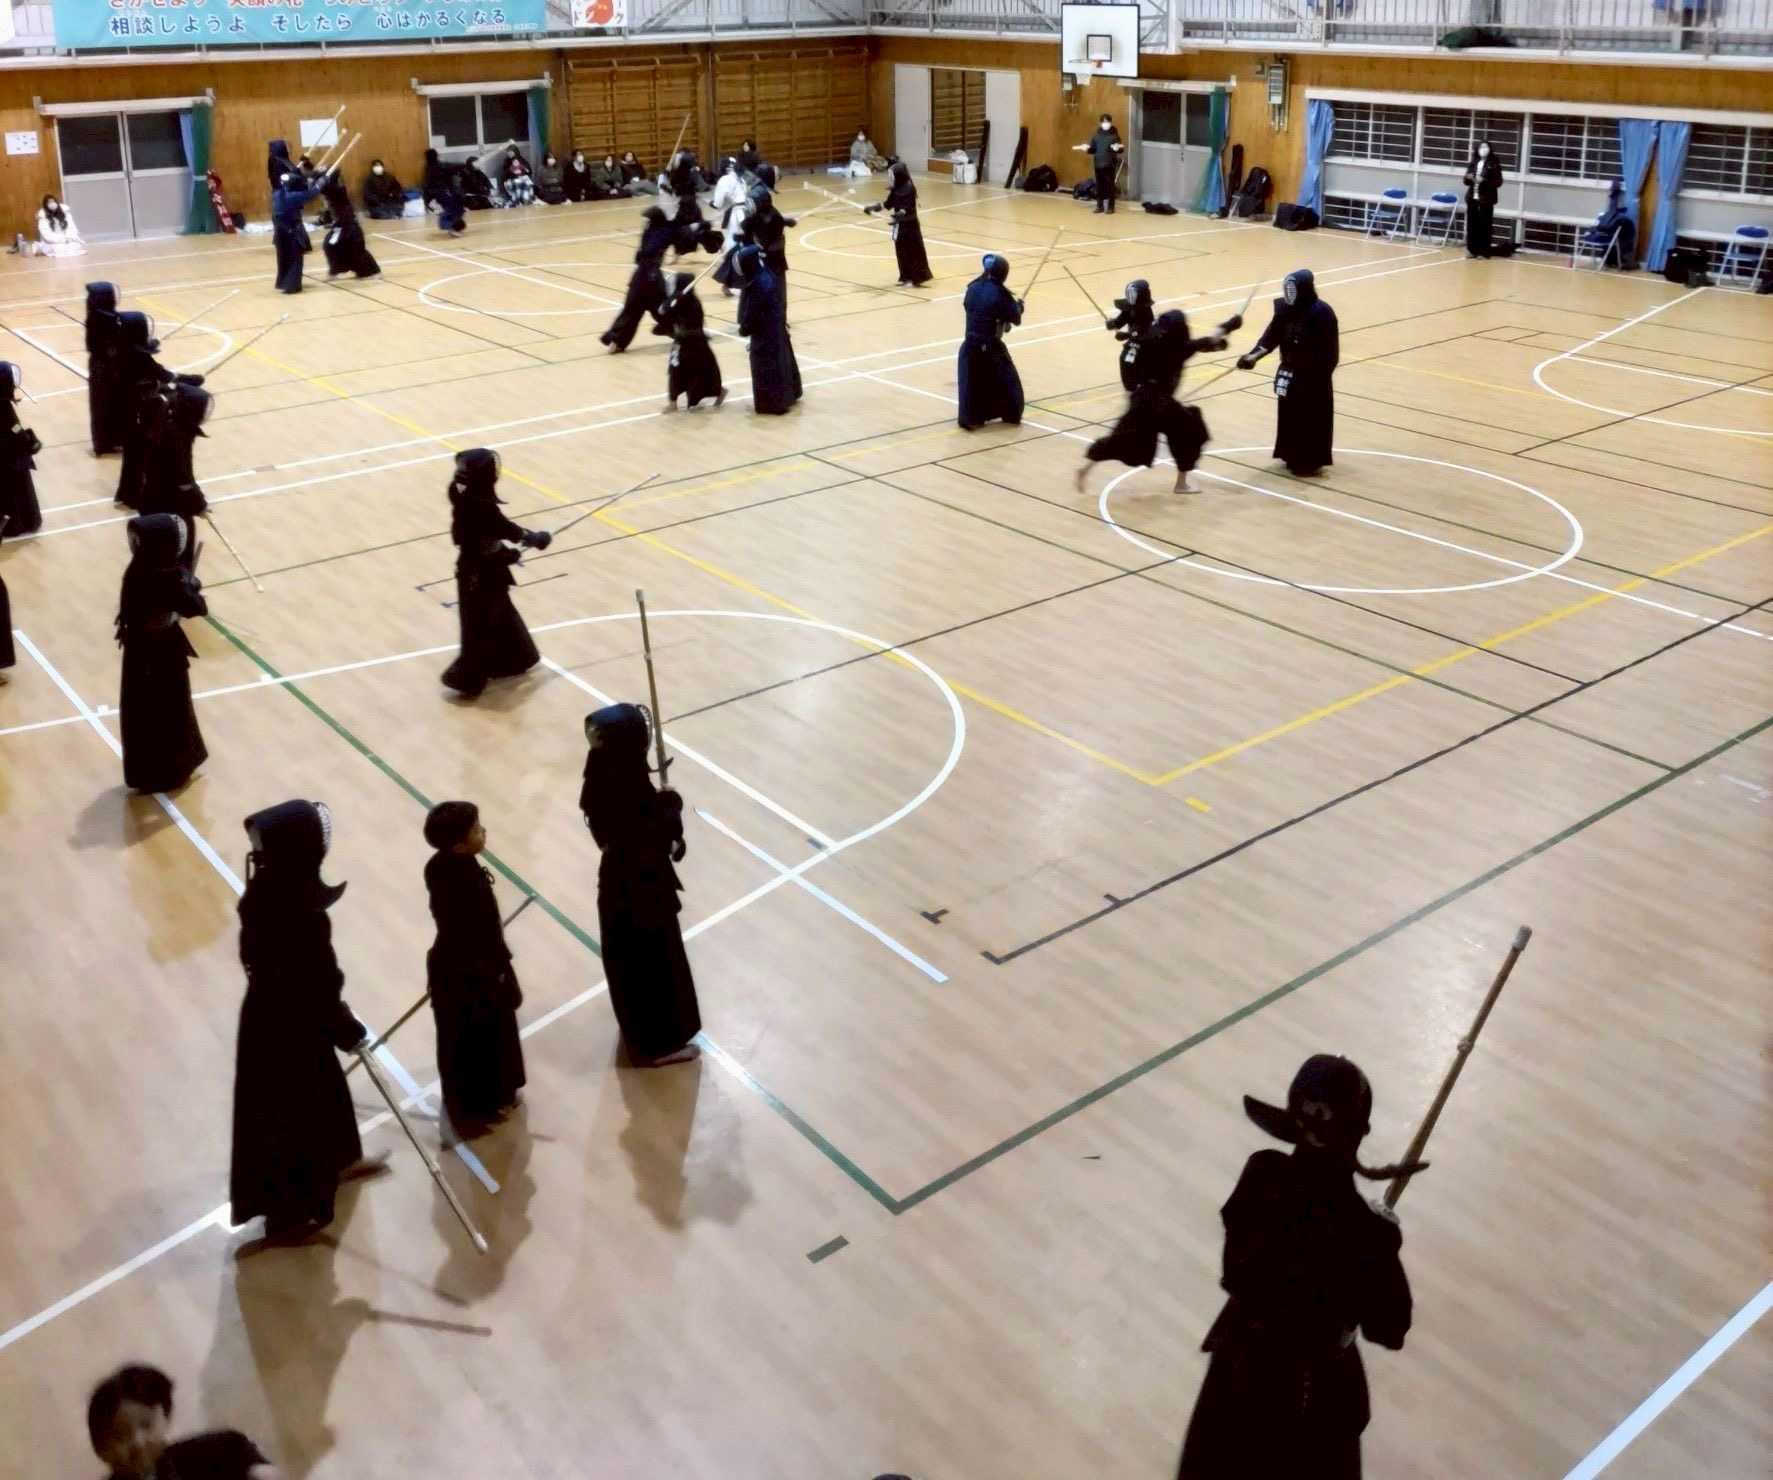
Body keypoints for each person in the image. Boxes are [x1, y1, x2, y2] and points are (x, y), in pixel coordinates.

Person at [1176, 1055, 1415, 1479]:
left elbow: (1235, 1275)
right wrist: (1379, 1244)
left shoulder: (1262, 1174)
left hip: (1241, 1368)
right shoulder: (1365, 1232)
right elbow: (1388, 1329)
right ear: (1358, 1131)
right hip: (1312, 1397)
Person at [231, 799, 386, 1240]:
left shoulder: (270, 890)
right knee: (293, 1118)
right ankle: (289, 1216)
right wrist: (344, 1027)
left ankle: (340, 1161)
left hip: (282, 1017)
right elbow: (310, 984)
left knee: (328, 1095)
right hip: (288, 1028)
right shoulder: (293, 911)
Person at [579, 703, 702, 1067]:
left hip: (616, 882)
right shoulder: (629, 785)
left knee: (631, 962)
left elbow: (614, 831)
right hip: (642, 890)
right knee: (653, 964)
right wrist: (670, 811)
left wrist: (660, 806)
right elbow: (653, 841)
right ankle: (658, 1046)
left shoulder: (601, 774)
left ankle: (639, 1030)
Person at [423, 800, 527, 1130]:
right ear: (458, 845)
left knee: (480, 1034)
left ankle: (487, 1096)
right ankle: (482, 1104)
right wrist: (497, 969)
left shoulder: (442, 865)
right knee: (479, 1038)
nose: (484, 832)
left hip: (467, 963)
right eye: (476, 830)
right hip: (472, 972)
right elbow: (476, 932)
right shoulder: (460, 883)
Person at [1077, 307, 1238, 495]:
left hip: (1142, 400)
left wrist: (1221, 339)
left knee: (1120, 439)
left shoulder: (1154, 342)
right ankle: (1181, 485)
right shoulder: (1179, 348)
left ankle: (1085, 469)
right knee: (1189, 430)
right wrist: (1228, 327)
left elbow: (1204, 344)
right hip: (1157, 404)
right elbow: (1208, 341)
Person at [441, 448, 552, 698]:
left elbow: (487, 536)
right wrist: (534, 538)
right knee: (482, 626)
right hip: (478, 576)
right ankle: (467, 678)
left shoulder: (462, 493)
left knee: (501, 617)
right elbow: (503, 528)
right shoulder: (478, 505)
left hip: (482, 568)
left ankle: (517, 660)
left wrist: (503, 553)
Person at [115, 513, 207, 794]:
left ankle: (145, 772)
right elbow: (196, 608)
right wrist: (191, 585)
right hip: (162, 652)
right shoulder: (166, 576)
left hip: (138, 651)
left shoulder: (139, 567)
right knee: (170, 711)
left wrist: (185, 582)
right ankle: (169, 771)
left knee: (143, 711)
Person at [87, 1364, 282, 1480]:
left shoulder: (188, 1457)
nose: (138, 1442)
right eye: (120, 1435)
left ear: (166, 1418)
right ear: (101, 1449)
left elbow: (234, 1445)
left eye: (146, 1425)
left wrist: (258, 1469)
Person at [1236, 268, 1339, 476]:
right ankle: (1290, 454)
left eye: (1293, 289)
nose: (1289, 294)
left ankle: (1308, 462)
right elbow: (1271, 336)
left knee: (1310, 420)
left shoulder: (1322, 313)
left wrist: (1317, 377)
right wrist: (1253, 356)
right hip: (1290, 372)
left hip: (1313, 378)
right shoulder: (1285, 309)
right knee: (1290, 417)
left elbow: (1330, 352)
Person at [113, 313, 200, 511]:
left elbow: (145, 359)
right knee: (138, 455)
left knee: (132, 454)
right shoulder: (139, 359)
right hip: (137, 412)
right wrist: (190, 380)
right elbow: (164, 375)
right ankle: (134, 496)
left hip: (125, 409)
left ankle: (127, 493)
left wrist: (150, 345)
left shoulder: (120, 348)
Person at [956, 254, 1024, 431]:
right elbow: (1015, 317)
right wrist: (1019, 307)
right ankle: (1010, 413)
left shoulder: (972, 287)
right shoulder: (1000, 294)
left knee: (974, 384)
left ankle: (973, 417)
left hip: (969, 346)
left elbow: (974, 308)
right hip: (990, 348)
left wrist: (1000, 318)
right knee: (1009, 384)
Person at [733, 244, 801, 416]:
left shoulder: (758, 285)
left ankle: (774, 404)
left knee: (768, 368)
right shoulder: (765, 272)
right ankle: (788, 396)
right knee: (782, 363)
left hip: (766, 334)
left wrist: (744, 329)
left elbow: (752, 314)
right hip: (776, 327)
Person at [600, 205, 677, 353]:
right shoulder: (649, 232)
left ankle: (686, 335)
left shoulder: (662, 233)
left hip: (651, 279)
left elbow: (649, 251)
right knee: (632, 310)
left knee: (659, 310)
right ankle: (617, 341)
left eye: (648, 220)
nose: (645, 223)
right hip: (642, 276)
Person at [139, 382, 212, 521]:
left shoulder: (167, 417)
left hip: (154, 497)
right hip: (167, 505)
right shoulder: (177, 436)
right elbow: (184, 479)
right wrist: (199, 505)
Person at [658, 270, 725, 412]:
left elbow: (690, 323)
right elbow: (662, 311)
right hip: (681, 343)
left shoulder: (694, 303)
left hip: (696, 344)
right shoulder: (676, 299)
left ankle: (718, 392)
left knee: (699, 373)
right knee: (674, 371)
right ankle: (673, 402)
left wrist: (677, 301)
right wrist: (672, 302)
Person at [736, 165, 796, 310]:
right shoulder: (760, 194)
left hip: (761, 244)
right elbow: (765, 220)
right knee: (775, 286)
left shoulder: (756, 193)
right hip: (769, 248)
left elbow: (761, 218)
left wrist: (784, 221)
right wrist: (783, 222)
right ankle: (776, 315)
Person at [864, 161, 931, 288]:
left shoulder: (909, 189)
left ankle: (916, 278)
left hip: (910, 226)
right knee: (901, 251)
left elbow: (907, 207)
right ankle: (905, 276)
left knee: (913, 252)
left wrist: (899, 215)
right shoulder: (896, 189)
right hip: (900, 225)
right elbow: (888, 204)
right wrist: (873, 208)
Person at [1, 362, 43, 535]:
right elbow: (14, 430)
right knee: (16, 488)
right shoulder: (3, 406)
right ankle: (18, 523)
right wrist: (30, 442)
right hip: (10, 459)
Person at [271, 168, 326, 294]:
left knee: (284, 259)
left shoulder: (277, 193)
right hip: (290, 232)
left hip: (280, 233)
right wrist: (322, 181)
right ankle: (292, 285)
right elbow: (311, 193)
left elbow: (302, 186)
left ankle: (285, 283)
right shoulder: (293, 197)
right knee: (295, 258)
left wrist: (313, 176)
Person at [85, 281, 124, 456]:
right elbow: (115, 343)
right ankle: (104, 443)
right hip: (105, 366)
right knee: (103, 405)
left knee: (112, 404)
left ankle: (113, 439)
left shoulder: (98, 314)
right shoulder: (103, 319)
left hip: (104, 364)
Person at [318, 173, 380, 280]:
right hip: (341, 225)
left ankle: (373, 272)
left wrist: (320, 178)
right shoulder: (332, 191)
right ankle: (335, 271)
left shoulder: (338, 191)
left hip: (348, 226)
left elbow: (324, 188)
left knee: (352, 248)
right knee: (334, 246)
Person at [1106, 277, 1156, 391]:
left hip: (1145, 344)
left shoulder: (1146, 313)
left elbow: (1141, 331)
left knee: (1136, 362)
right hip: (1134, 340)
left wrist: (1126, 335)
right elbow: (1122, 319)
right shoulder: (1130, 307)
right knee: (1126, 360)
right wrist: (1113, 323)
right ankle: (1132, 384)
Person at [1074, 112, 1125, 214]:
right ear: (1100, 123)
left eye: (1107, 121)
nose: (1106, 124)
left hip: (1110, 164)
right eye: (1104, 122)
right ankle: (1099, 206)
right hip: (1098, 164)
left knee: (1110, 186)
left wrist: (1117, 148)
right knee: (1099, 185)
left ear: (1111, 122)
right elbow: (1093, 149)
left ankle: (1111, 207)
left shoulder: (1115, 136)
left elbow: (1120, 149)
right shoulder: (1096, 136)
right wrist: (1087, 149)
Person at [1581, 178, 1636, 268]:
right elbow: (1599, 224)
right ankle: (1609, 260)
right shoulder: (1606, 213)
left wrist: (1595, 230)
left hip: (1611, 233)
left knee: (1613, 237)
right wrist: (1591, 230)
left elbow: (1605, 226)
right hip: (1603, 231)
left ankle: (1618, 260)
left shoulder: (1621, 216)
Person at [1462, 140, 1503, 259]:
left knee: (1485, 226)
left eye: (1485, 147)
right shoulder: (1473, 162)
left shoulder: (1494, 163)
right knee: (1472, 226)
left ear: (1489, 149)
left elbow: (1498, 182)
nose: (1483, 149)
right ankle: (1472, 250)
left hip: (1486, 199)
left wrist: (1484, 180)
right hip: (1472, 198)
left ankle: (1484, 252)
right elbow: (1465, 181)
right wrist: (1469, 178)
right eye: (1481, 147)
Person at [422, 148, 466, 236]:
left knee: (454, 209)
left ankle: (454, 226)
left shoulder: (429, 168)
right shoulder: (439, 166)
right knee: (453, 209)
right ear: (436, 156)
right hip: (442, 193)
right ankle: (453, 227)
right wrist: (465, 165)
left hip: (436, 195)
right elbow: (458, 166)